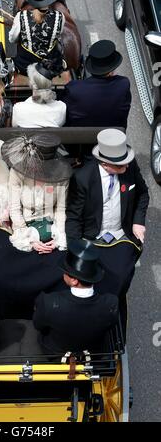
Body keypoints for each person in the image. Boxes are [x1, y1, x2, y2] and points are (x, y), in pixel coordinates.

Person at [65, 129, 149, 334]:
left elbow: (143, 194)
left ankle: (113, 315)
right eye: (121, 164)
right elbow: (74, 218)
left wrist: (138, 222)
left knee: (119, 279)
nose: (127, 166)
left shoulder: (130, 168)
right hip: (92, 239)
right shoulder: (82, 178)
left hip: (121, 236)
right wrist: (75, 253)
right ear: (105, 163)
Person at [33, 239, 119, 354]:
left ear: (74, 280)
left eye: (65, 271)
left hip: (55, 354)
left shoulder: (48, 302)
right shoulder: (111, 303)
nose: (63, 274)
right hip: (93, 354)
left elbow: (38, 325)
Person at [59, 40, 131, 156]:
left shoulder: (74, 88)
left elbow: (64, 111)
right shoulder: (123, 84)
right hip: (112, 137)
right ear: (112, 69)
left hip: (80, 143)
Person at [1, 134, 72, 253]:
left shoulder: (62, 175)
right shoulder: (17, 172)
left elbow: (60, 209)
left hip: (52, 226)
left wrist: (58, 238)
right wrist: (29, 239)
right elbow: (15, 209)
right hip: (24, 227)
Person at [9, 0, 66, 75]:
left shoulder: (20, 16)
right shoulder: (60, 16)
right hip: (51, 66)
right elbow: (58, 35)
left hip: (25, 66)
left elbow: (12, 39)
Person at [12, 59, 66, 128]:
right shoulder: (61, 107)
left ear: (31, 84)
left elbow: (14, 127)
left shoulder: (18, 109)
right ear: (50, 83)